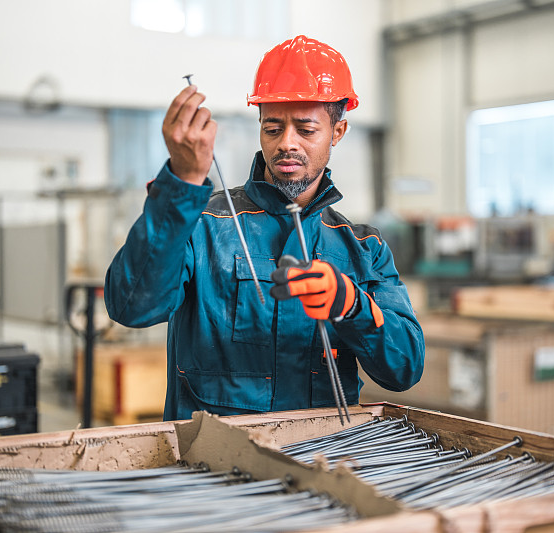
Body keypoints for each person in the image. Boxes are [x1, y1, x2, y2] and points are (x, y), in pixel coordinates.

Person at [104, 35, 424, 420]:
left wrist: (353, 306)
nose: (287, 143)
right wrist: (182, 184)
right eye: (273, 128)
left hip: (321, 460)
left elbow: (404, 369)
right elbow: (131, 306)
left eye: (306, 130)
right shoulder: (202, 223)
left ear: (337, 132)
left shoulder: (363, 247)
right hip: (211, 463)